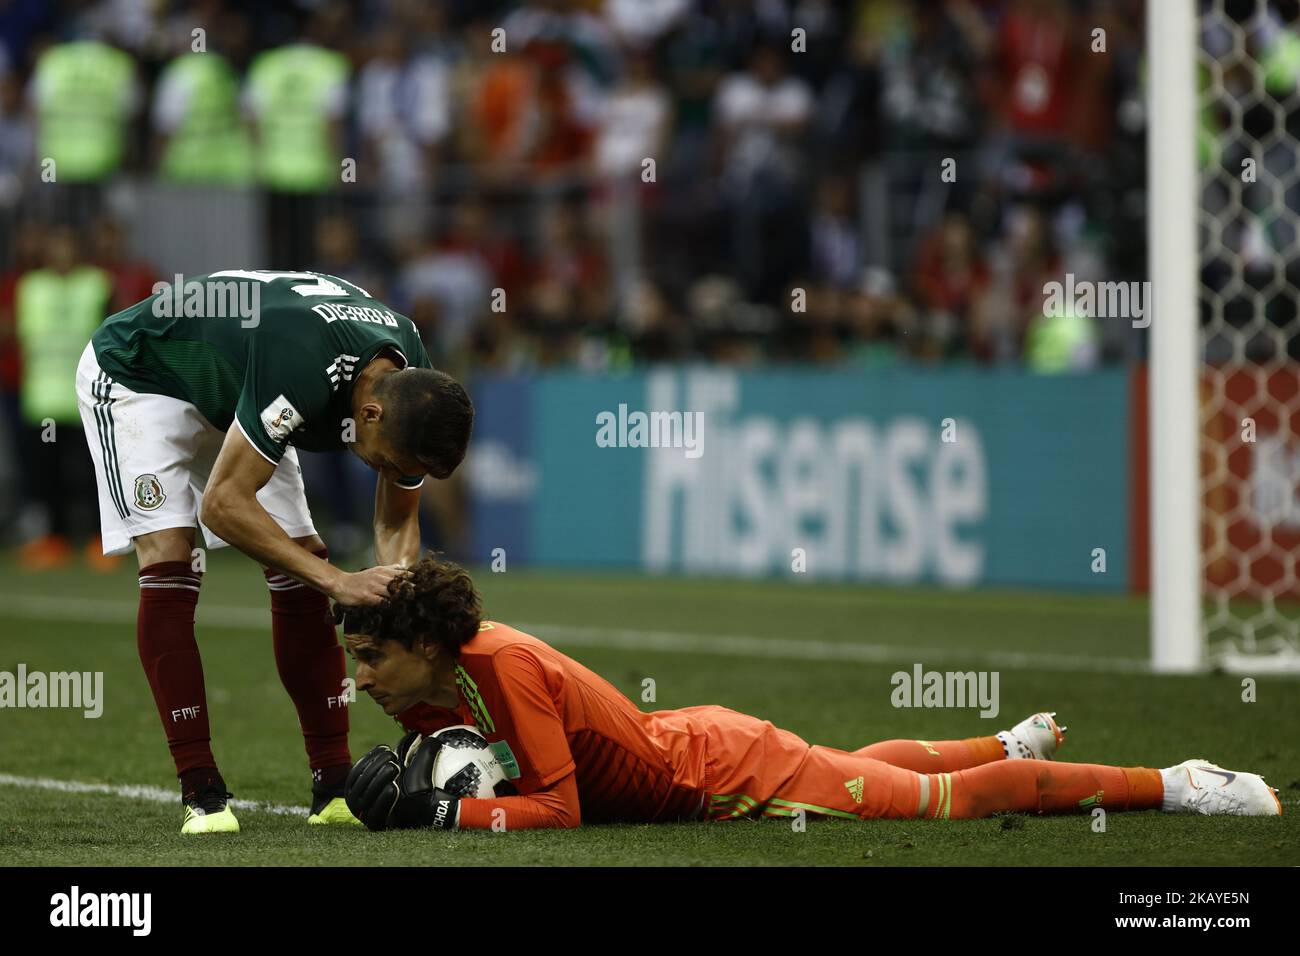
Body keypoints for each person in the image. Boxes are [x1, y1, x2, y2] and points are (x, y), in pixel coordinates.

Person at [339, 556, 1283, 832]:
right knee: (849, 771)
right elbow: (460, 770)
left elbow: (560, 806)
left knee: (935, 807)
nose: (361, 678)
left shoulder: (499, 666)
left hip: (720, 775)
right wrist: (372, 797)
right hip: (695, 742)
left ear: (422, 643)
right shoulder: (440, 677)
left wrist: (440, 820)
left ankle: (1171, 781)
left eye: (371, 658)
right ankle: (1005, 744)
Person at [73, 270, 474, 834]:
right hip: (143, 375)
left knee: (299, 559)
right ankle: (202, 793)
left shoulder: (409, 369)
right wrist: (337, 581)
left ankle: (333, 789)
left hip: (243, 386)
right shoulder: (302, 362)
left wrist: (397, 591)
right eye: (385, 462)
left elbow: (396, 516)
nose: (386, 473)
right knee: (172, 559)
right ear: (370, 415)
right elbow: (222, 505)